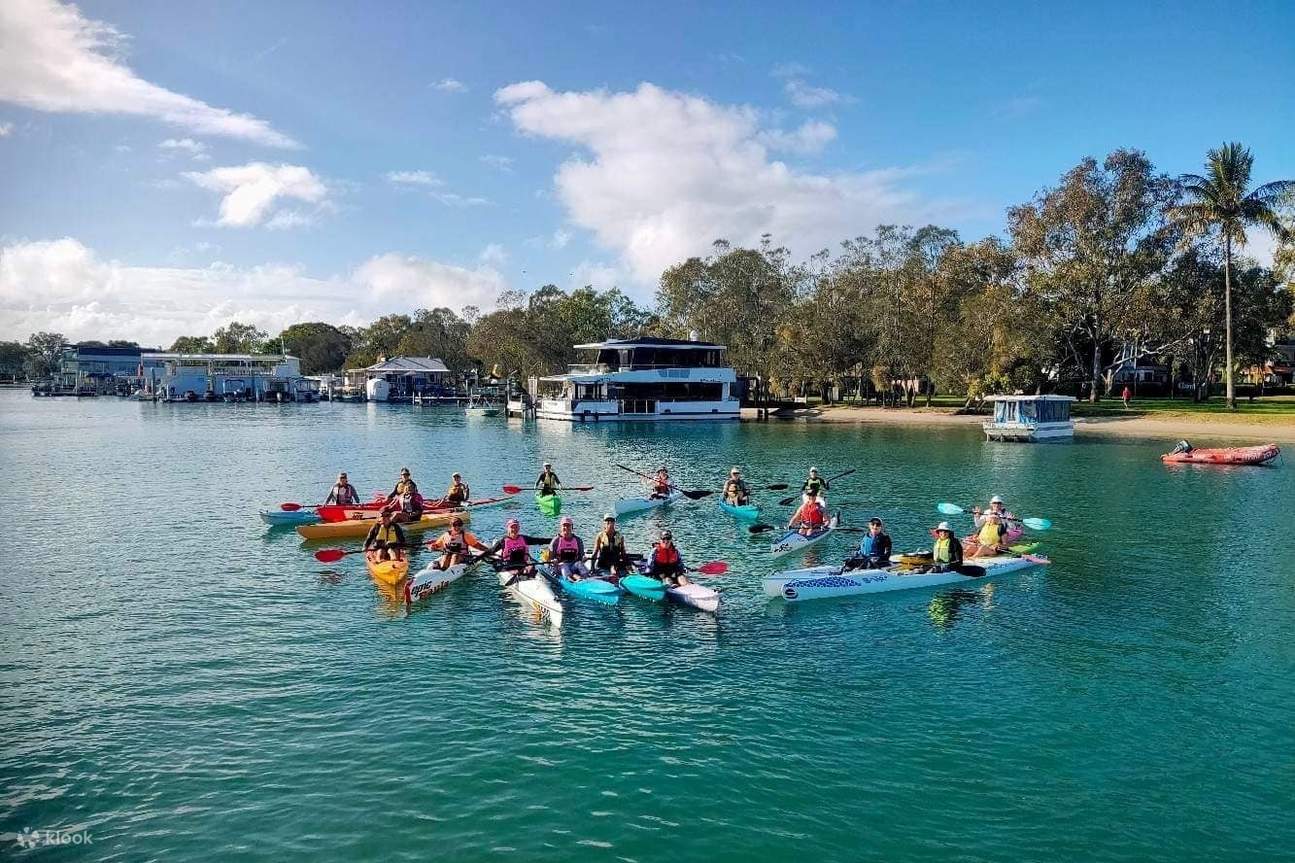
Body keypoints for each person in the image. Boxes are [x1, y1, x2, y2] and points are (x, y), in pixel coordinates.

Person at [546, 516, 588, 581]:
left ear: (572, 527)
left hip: (573, 565)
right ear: (561, 527)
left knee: (579, 563)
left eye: (568, 526)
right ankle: (570, 580)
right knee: (564, 566)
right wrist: (553, 561)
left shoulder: (578, 540)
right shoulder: (556, 541)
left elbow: (580, 556)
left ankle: (587, 579)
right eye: (564, 526)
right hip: (560, 567)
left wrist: (583, 559)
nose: (566, 528)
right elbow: (550, 559)